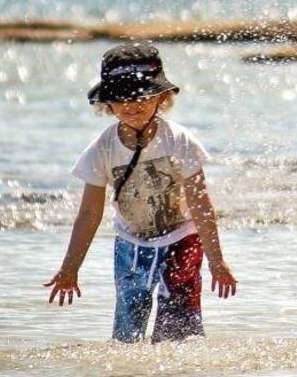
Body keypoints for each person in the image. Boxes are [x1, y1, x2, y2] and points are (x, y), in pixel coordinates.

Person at [44, 43, 237, 343]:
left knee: (179, 332)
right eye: (121, 98)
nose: (132, 105)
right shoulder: (103, 149)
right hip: (130, 245)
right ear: (107, 103)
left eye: (142, 96)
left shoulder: (179, 141)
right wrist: (70, 268)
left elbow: (201, 204)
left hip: (181, 240)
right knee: (126, 335)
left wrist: (217, 260)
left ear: (162, 97)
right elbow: (89, 214)